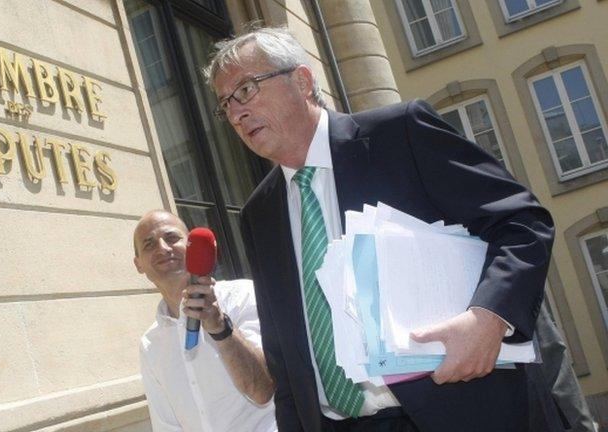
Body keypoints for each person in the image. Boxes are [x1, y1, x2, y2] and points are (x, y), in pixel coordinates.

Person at [204, 27, 556, 431]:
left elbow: (521, 221)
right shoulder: (258, 214)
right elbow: (286, 360)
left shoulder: (399, 135)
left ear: (301, 81)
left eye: (246, 90)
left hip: (462, 408)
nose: (235, 113)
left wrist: (490, 318)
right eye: (225, 104)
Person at [134, 210, 277, 432]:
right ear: (138, 264)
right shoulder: (150, 344)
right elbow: (167, 426)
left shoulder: (243, 296)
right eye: (149, 244)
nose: (162, 248)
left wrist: (221, 327)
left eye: (172, 238)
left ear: (192, 247)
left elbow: (263, 391)